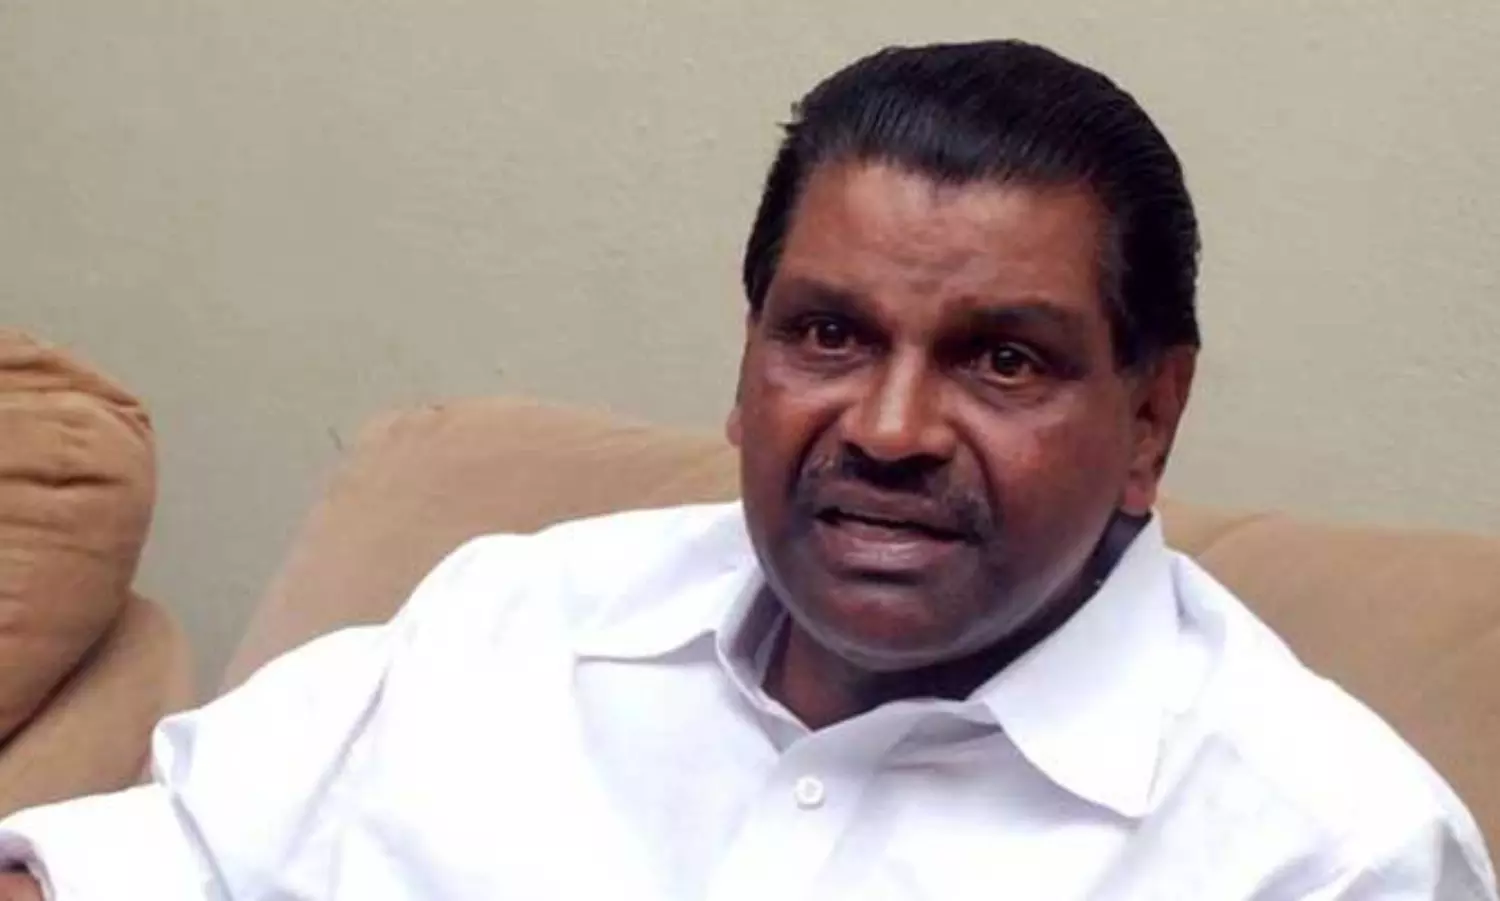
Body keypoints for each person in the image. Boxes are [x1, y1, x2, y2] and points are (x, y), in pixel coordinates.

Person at [1, 38, 1494, 901]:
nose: (890, 430)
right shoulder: (517, 621)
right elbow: (147, 862)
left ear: (1151, 420)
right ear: (748, 360)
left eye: (1002, 360)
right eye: (829, 336)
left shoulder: (1325, 846)